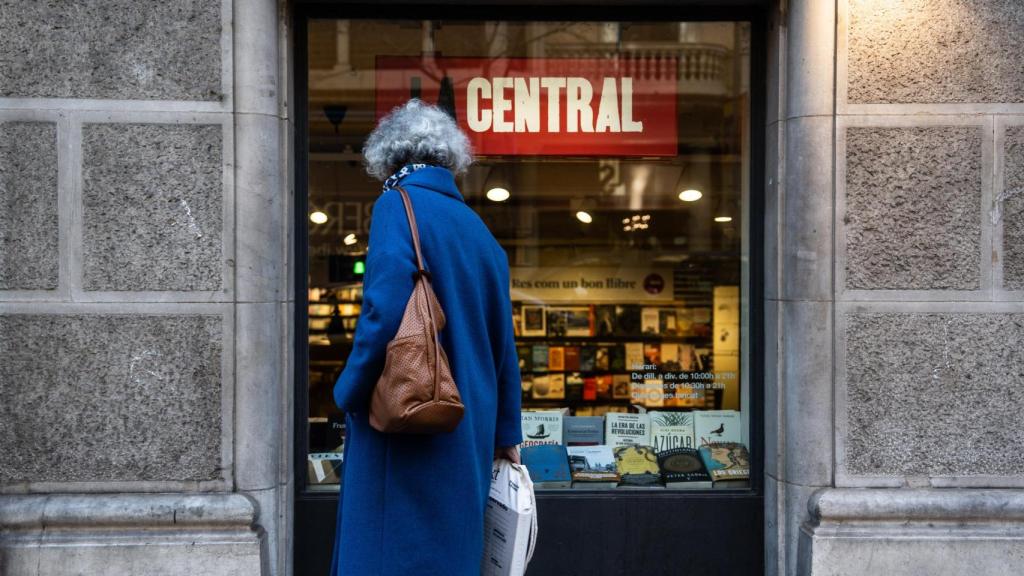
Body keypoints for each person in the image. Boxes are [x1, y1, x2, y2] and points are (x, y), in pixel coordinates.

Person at [329, 98, 523, 576]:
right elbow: (504, 342)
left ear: (388, 157)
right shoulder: (478, 230)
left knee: (389, 553)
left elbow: (383, 311)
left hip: (407, 418)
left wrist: (349, 392)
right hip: (467, 423)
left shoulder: (398, 204)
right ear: (450, 159)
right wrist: (505, 433)